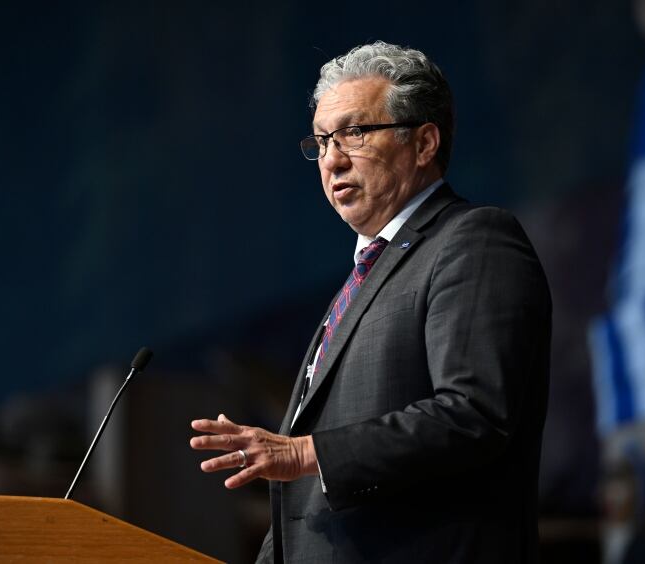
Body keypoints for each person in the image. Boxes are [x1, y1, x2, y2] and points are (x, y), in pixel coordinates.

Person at [190, 41, 552, 563]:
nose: (332, 159)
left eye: (355, 133)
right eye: (321, 141)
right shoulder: (362, 279)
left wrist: (306, 452)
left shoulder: (472, 241)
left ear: (424, 142)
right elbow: (300, 502)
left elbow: (475, 414)